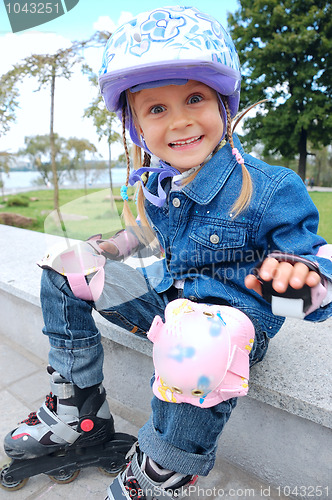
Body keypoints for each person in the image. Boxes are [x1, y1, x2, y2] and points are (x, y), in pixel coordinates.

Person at [4, 6, 332, 500]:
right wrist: (111, 246)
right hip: (168, 304)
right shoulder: (163, 182)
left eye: (194, 98)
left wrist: (299, 281)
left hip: (229, 331)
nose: (179, 121)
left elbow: (315, 272)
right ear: (136, 125)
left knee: (196, 341)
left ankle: (165, 468)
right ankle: (79, 409)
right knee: (64, 267)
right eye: (157, 109)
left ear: (223, 104)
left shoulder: (268, 186)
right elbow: (147, 229)